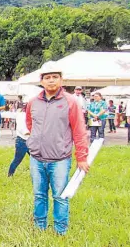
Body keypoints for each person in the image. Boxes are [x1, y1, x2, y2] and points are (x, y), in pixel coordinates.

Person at [26, 61, 89, 236]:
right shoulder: (33, 102)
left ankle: (60, 230)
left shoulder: (71, 102)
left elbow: (79, 130)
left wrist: (82, 157)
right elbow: (30, 125)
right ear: (41, 81)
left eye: (55, 77)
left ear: (62, 80)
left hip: (60, 159)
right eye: (48, 77)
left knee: (60, 196)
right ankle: (40, 227)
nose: (51, 81)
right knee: (39, 195)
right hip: (36, 158)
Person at [8, 103, 30, 177]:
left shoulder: (33, 115)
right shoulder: (21, 115)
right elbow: (22, 130)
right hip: (22, 141)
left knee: (38, 161)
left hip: (32, 141)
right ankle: (10, 175)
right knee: (17, 160)